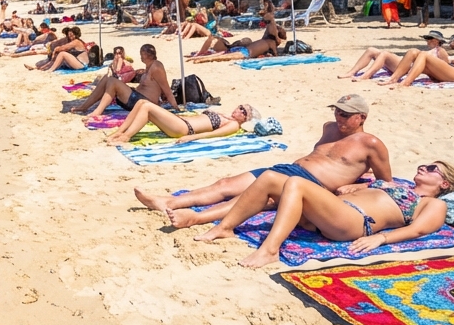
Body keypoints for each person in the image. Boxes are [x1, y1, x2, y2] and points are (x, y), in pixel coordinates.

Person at [134, 94, 391, 229]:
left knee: (251, 199)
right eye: (337, 112)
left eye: (346, 115)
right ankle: (168, 201)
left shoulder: (371, 144)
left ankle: (196, 218)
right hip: (289, 169)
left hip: (311, 185)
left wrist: (357, 186)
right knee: (225, 183)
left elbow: (387, 183)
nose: (339, 118)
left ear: (362, 117)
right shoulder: (329, 128)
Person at [226, 162, 454, 268]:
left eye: (432, 169)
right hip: (330, 213)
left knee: (297, 183)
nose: (423, 167)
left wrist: (381, 239)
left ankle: (269, 250)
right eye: (425, 164)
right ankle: (224, 228)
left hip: (353, 221)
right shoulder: (399, 185)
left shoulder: (432, 203)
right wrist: (359, 187)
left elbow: (419, 229)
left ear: (444, 183)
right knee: (269, 177)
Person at [66, 44, 177, 115]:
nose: (140, 56)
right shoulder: (148, 67)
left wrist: (176, 108)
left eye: (142, 54)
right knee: (107, 78)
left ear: (147, 54)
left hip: (144, 102)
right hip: (136, 98)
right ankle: (84, 106)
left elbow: (167, 90)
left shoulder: (156, 67)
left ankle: (97, 111)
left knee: (112, 81)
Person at [103, 101, 258, 145]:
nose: (240, 111)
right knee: (142, 102)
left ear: (245, 119)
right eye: (241, 108)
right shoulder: (225, 114)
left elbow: (212, 134)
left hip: (184, 129)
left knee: (148, 107)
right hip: (181, 121)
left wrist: (190, 138)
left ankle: (127, 137)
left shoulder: (233, 125)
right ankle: (120, 132)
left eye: (244, 113)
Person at [378, 34, 454, 87]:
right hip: (451, 69)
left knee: (424, 55)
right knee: (413, 52)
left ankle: (405, 83)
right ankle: (393, 79)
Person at [338, 30, 450, 80]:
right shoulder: (430, 50)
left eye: (429, 39)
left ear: (436, 40)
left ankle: (365, 76)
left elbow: (445, 68)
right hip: (404, 63)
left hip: (408, 67)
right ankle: (351, 72)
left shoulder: (440, 50)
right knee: (371, 50)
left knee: (385, 54)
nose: (427, 41)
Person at [189, 10, 283, 62]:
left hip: (244, 50)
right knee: (220, 57)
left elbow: (271, 24)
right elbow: (276, 55)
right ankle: (200, 59)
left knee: (221, 55)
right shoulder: (272, 43)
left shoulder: (264, 40)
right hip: (246, 53)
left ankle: (198, 57)